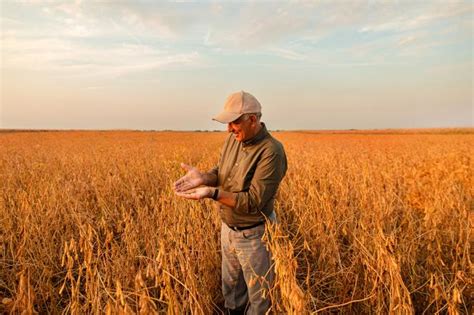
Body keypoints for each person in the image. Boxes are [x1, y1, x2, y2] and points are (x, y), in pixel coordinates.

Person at [174, 90, 287, 314]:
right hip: (228, 230)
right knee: (232, 291)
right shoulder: (233, 140)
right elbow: (221, 173)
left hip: (255, 236)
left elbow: (253, 201)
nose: (228, 129)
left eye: (234, 122)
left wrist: (212, 193)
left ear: (252, 119)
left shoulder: (271, 151)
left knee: (260, 299)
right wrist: (204, 178)